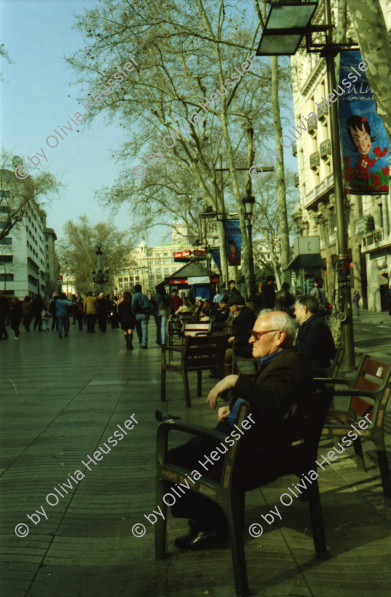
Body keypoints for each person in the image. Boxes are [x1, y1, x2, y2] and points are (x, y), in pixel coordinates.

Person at [165, 310, 314, 550]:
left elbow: (275, 402)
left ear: (279, 337)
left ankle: (209, 525)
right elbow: (273, 401)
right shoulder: (288, 361)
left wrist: (235, 380)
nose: (250, 339)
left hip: (245, 452)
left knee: (174, 459)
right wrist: (236, 408)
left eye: (257, 334)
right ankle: (211, 519)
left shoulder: (286, 366)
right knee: (187, 454)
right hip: (258, 443)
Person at [294, 295, 336, 373]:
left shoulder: (317, 327)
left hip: (314, 372)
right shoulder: (310, 324)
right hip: (309, 369)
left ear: (304, 309)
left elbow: (303, 351)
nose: (294, 313)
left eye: (295, 309)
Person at [223, 295, 256, 376]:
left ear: (235, 307)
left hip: (247, 347)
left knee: (226, 352)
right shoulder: (248, 313)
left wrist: (234, 338)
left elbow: (245, 336)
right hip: (251, 345)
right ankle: (231, 372)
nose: (229, 308)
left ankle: (228, 374)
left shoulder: (242, 317)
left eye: (230, 306)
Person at [132, 284, 150, 349]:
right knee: (144, 329)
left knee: (139, 329)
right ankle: (145, 343)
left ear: (135, 290)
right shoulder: (145, 296)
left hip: (137, 315)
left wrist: (133, 312)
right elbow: (148, 305)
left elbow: (133, 306)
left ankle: (140, 342)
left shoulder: (134, 296)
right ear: (141, 289)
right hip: (144, 314)